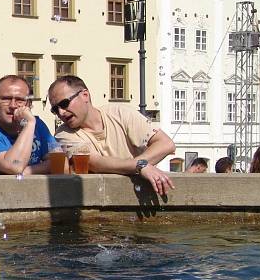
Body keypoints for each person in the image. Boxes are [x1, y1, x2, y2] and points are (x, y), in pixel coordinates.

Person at [48, 75, 176, 195]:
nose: (61, 112)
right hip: (99, 200)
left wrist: (140, 164)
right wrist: (139, 165)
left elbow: (166, 144)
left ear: (85, 95)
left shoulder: (120, 113)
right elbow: (95, 163)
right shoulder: (63, 134)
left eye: (64, 103)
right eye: (55, 109)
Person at [0, 75, 56, 176]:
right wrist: (29, 124)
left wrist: (26, 172)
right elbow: (16, 166)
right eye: (6, 99)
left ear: (28, 104)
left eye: (20, 100)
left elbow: (60, 164)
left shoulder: (38, 126)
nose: (13, 105)